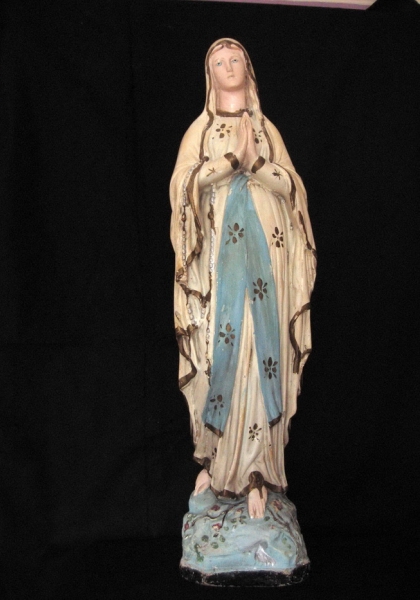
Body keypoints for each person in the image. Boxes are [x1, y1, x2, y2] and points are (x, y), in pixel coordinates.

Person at [170, 39, 316, 519]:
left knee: (262, 351)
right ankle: (218, 462)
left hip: (268, 263)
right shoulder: (201, 130)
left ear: (248, 70)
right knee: (222, 351)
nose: (228, 66)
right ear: (208, 74)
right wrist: (231, 161)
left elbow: (292, 188)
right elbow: (182, 186)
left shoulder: (266, 130)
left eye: (235, 59)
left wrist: (255, 162)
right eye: (218, 61)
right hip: (221, 265)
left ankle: (259, 471)